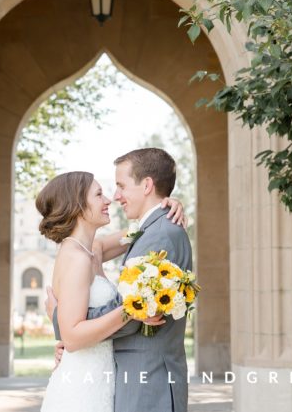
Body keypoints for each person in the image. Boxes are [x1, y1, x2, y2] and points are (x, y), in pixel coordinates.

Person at [48, 148, 193, 412]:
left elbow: (142, 231)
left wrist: (168, 203)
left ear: (147, 185)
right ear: (79, 205)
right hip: (95, 378)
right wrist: (69, 329)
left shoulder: (100, 248)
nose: (112, 198)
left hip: (140, 377)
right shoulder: (78, 256)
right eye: (100, 194)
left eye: (119, 186)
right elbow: (81, 331)